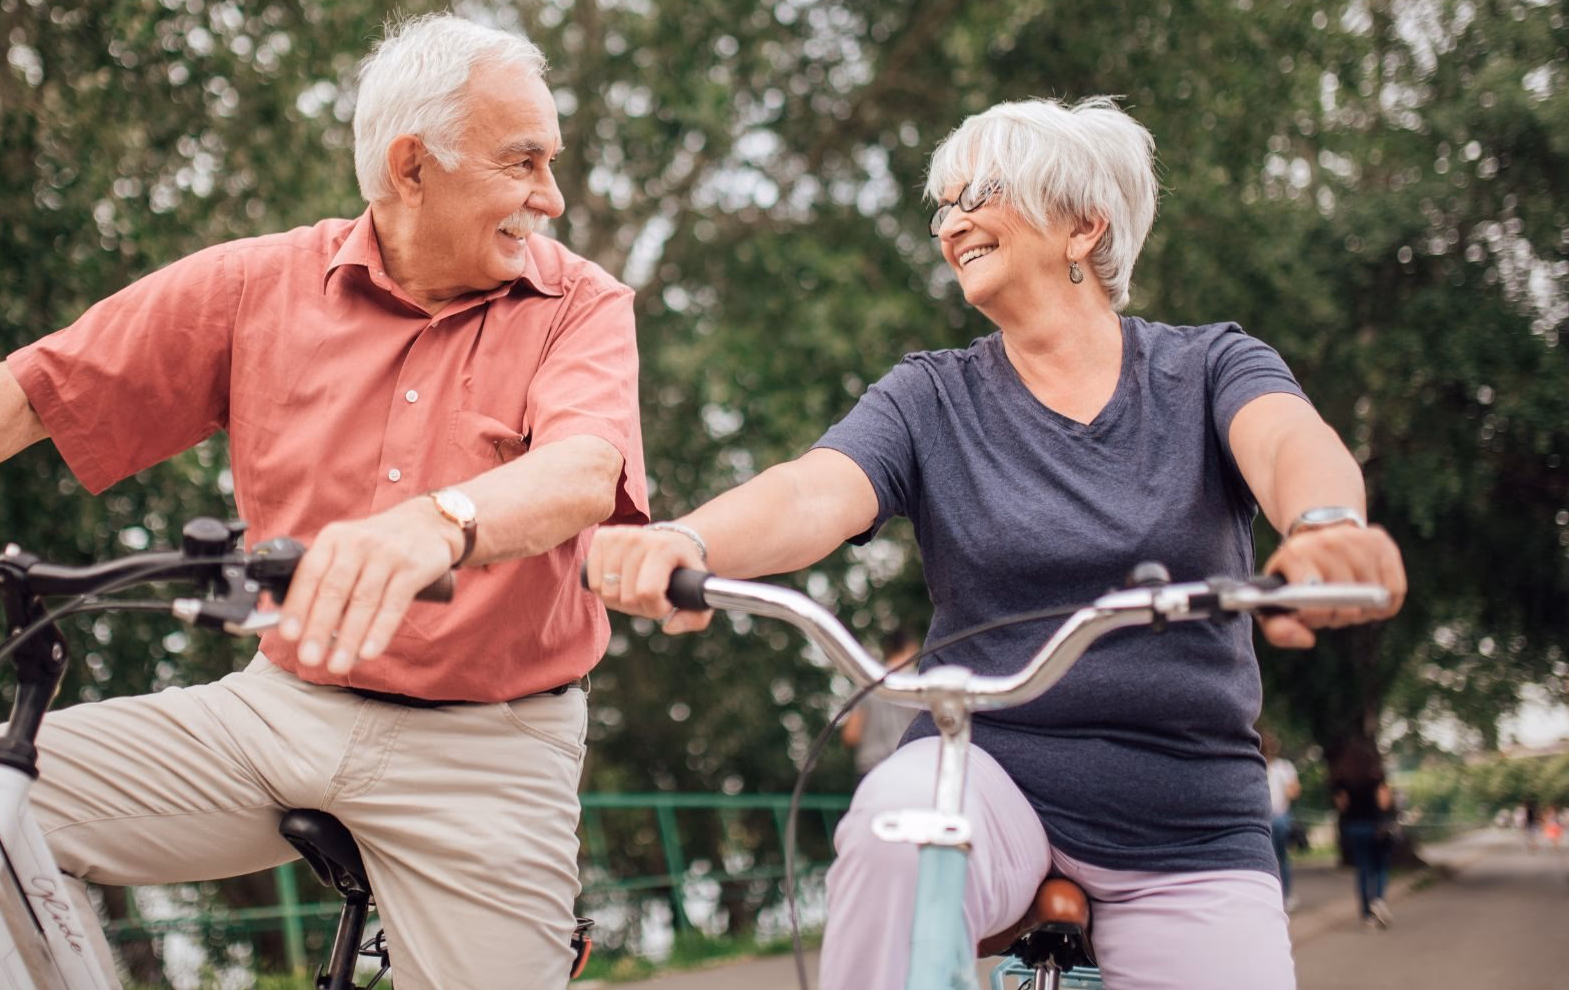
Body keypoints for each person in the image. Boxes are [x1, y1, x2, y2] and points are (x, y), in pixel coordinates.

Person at [0, 14, 647, 989]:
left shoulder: (579, 303)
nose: (553, 196)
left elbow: (583, 469)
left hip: (488, 748)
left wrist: (439, 522)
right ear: (412, 168)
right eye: (524, 163)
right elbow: (38, 388)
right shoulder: (257, 286)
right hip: (281, 710)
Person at [586, 98, 1407, 990]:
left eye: (979, 192)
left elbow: (1290, 442)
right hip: (987, 773)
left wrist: (1327, 527)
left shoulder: (1207, 367)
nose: (952, 222)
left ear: (1083, 225)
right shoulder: (930, 398)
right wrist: (688, 536)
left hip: (1187, 814)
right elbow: (810, 489)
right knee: (895, 830)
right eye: (942, 205)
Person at [1330, 744, 1396, 929]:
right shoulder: (1376, 776)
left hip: (1354, 827)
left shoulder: (1342, 778)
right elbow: (1384, 803)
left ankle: (1367, 915)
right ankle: (1379, 900)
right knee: (1381, 867)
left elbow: (1341, 805)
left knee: (1364, 870)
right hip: (1375, 827)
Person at [840, 630, 921, 779]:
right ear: (910, 647)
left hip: (871, 771)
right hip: (908, 767)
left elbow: (851, 735)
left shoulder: (866, 682)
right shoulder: (920, 683)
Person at [1262, 730, 1302, 911]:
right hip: (1265, 817)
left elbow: (1294, 791)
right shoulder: (1259, 765)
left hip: (1279, 816)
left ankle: (1284, 895)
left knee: (1281, 858)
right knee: (1273, 858)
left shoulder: (1283, 767)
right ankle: (1276, 895)